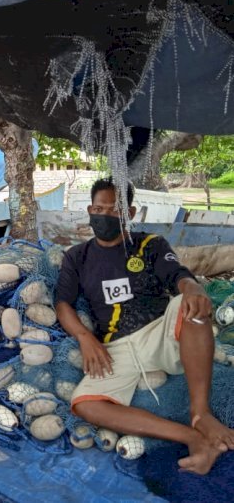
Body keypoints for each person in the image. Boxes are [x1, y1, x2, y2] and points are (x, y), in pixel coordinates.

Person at [56, 178, 234, 475]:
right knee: (85, 404)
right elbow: (63, 305)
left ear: (131, 213)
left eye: (114, 210)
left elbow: (179, 275)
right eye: (98, 209)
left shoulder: (150, 245)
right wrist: (85, 337)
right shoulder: (77, 257)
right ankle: (191, 436)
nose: (104, 216)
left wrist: (192, 289)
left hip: (161, 334)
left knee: (191, 305)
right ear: (89, 209)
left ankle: (200, 413)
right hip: (116, 347)